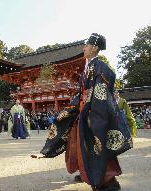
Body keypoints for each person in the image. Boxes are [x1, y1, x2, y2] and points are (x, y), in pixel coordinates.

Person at [52, 33, 122, 191]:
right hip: (84, 111)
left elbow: (101, 94)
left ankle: (109, 181)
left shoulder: (101, 68)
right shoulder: (87, 68)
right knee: (76, 142)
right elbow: (80, 94)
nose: (84, 47)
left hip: (96, 114)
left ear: (95, 48)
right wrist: (69, 110)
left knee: (98, 145)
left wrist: (91, 113)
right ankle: (87, 173)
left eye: (87, 45)